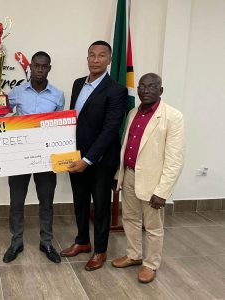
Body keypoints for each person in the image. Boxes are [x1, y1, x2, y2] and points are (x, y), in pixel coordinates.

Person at [0, 51, 65, 264]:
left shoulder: (58, 95)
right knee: (16, 201)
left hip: (46, 159)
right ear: (30, 67)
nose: (40, 70)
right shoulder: (16, 92)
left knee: (46, 202)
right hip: (20, 158)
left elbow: (61, 128)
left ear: (49, 68)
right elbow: (1, 115)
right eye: (36, 66)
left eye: (44, 66)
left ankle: (47, 242)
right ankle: (16, 242)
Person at [60, 40, 127, 271]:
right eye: (92, 55)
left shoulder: (117, 90)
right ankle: (82, 242)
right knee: (79, 202)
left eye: (101, 55)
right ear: (87, 58)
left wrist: (87, 160)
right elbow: (74, 122)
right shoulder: (78, 84)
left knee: (100, 207)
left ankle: (100, 250)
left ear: (109, 60)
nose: (96, 60)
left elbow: (110, 129)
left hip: (100, 161)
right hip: (75, 157)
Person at [111, 73, 185, 283]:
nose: (146, 90)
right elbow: (127, 148)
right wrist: (120, 176)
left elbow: (174, 160)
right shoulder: (133, 112)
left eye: (152, 87)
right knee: (130, 219)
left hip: (153, 183)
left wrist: (162, 192)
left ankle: (150, 264)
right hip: (130, 175)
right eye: (142, 86)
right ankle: (134, 255)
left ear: (161, 90)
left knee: (152, 227)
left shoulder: (173, 116)